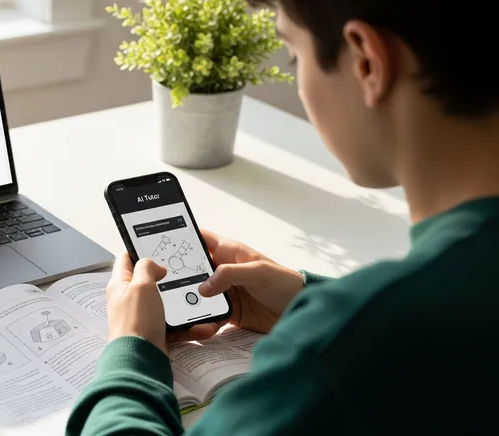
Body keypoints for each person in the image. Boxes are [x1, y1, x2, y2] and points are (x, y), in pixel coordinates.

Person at [66, 0, 499, 434]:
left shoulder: (341, 350)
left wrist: (132, 348)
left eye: (294, 56)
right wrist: (306, 298)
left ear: (366, 61)